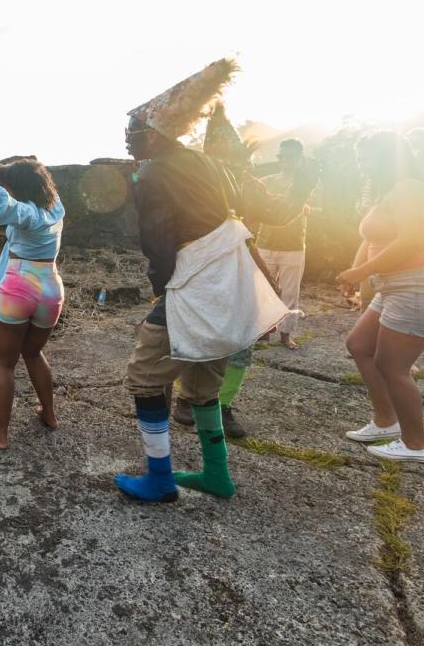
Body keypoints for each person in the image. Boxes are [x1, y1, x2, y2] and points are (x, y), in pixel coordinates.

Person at [114, 58, 286, 503]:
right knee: (202, 380)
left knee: (146, 377)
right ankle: (216, 474)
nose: (126, 142)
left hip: (193, 281)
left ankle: (159, 478)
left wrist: (162, 291)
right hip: (228, 276)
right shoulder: (204, 163)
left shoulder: (153, 172)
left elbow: (159, 241)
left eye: (131, 134)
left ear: (154, 135)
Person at [338, 131, 424, 464]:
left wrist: (360, 273)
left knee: (393, 366)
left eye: (369, 158)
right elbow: (371, 240)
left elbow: (409, 242)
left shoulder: (411, 188)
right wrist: (357, 272)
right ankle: (385, 422)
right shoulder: (391, 191)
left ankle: (416, 445)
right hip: (399, 284)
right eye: (360, 158)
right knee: (360, 345)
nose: (364, 165)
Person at [196, 105, 319, 437]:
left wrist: (302, 188)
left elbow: (276, 213)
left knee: (240, 344)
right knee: (196, 340)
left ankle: (221, 404)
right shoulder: (190, 183)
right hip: (199, 270)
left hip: (239, 266)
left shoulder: (247, 183)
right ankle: (189, 401)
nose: (236, 169)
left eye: (239, 163)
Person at [0, 154, 65, 450]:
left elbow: (5, 204)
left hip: (20, 284)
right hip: (50, 286)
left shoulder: (26, 212)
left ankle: (1, 434)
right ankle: (50, 415)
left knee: (4, 362)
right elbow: (27, 178)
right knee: (33, 353)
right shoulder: (56, 204)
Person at [255, 139, 310, 350]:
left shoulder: (306, 184)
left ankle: (286, 334)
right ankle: (264, 330)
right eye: (281, 156)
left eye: (289, 157)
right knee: (263, 291)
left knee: (289, 294)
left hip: (294, 245)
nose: (284, 160)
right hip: (265, 243)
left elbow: (318, 206)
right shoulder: (266, 181)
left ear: (299, 158)